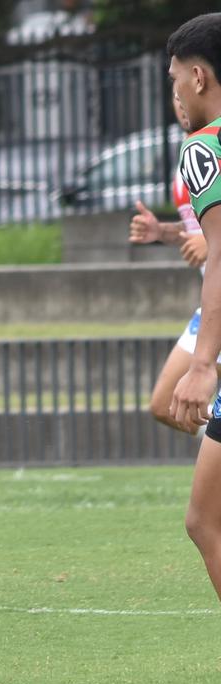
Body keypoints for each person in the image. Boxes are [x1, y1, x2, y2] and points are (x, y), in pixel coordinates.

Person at [167, 13, 221, 601]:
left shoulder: (204, 148)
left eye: (176, 79)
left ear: (199, 77)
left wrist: (204, 364)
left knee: (207, 520)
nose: (176, 93)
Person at [131, 91, 213, 433]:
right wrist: (162, 232)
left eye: (183, 91)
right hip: (210, 305)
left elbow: (212, 235)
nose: (180, 104)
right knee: (164, 404)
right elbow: (199, 227)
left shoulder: (214, 145)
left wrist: (211, 244)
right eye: (174, 97)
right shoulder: (189, 157)